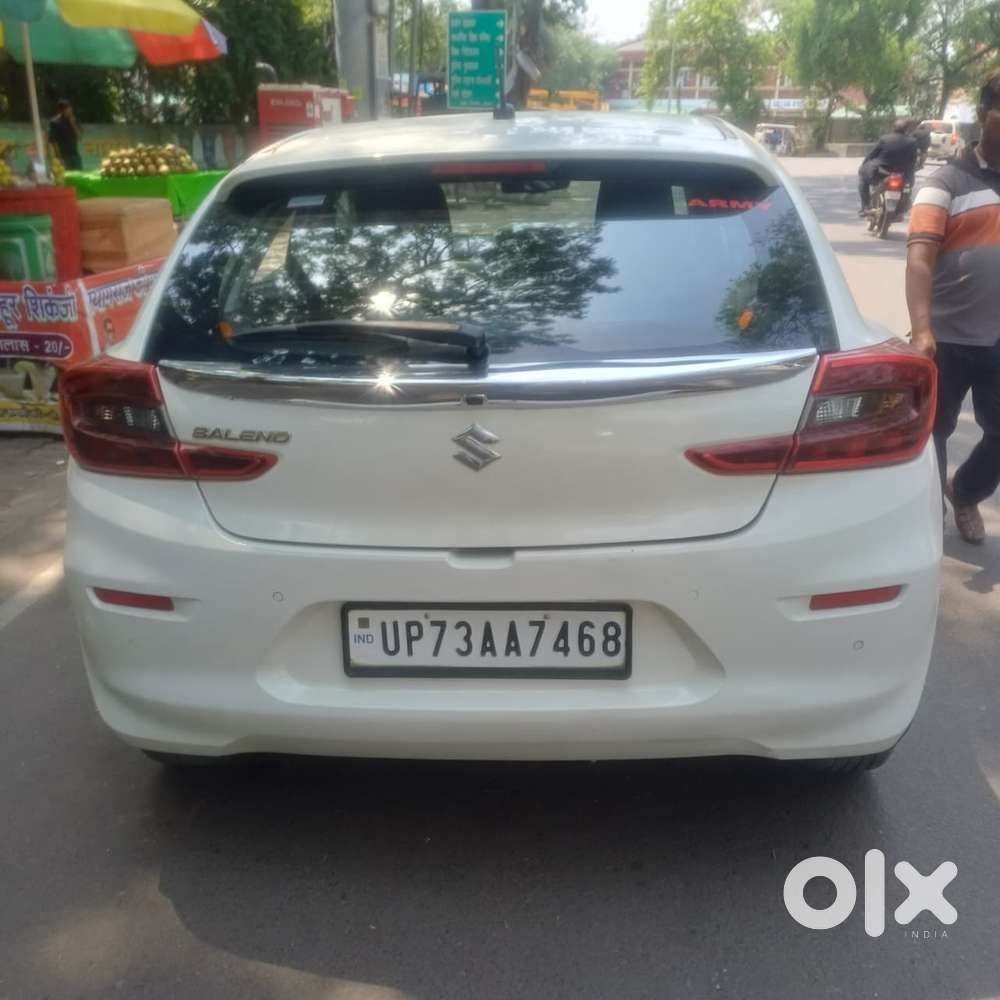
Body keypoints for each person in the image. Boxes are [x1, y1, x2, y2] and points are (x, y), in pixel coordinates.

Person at [906, 71, 1000, 543]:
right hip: (946, 338)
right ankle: (932, 518)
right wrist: (921, 330)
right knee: (935, 433)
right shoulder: (945, 182)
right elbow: (920, 259)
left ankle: (964, 492)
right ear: (984, 114)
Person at [858, 118, 918, 214]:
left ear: (893, 128)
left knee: (863, 179)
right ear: (906, 129)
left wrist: (864, 164)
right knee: (907, 189)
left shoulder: (885, 139)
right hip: (901, 172)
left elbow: (873, 154)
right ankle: (901, 209)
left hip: (882, 171)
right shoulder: (912, 142)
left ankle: (866, 206)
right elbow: (913, 160)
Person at [48, 99, 81, 170]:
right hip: (63, 156)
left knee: (79, 175)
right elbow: (53, 141)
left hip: (74, 154)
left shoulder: (73, 120)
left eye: (70, 109)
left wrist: (73, 124)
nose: (70, 111)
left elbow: (79, 137)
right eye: (68, 110)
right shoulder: (55, 123)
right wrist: (59, 157)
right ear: (62, 111)